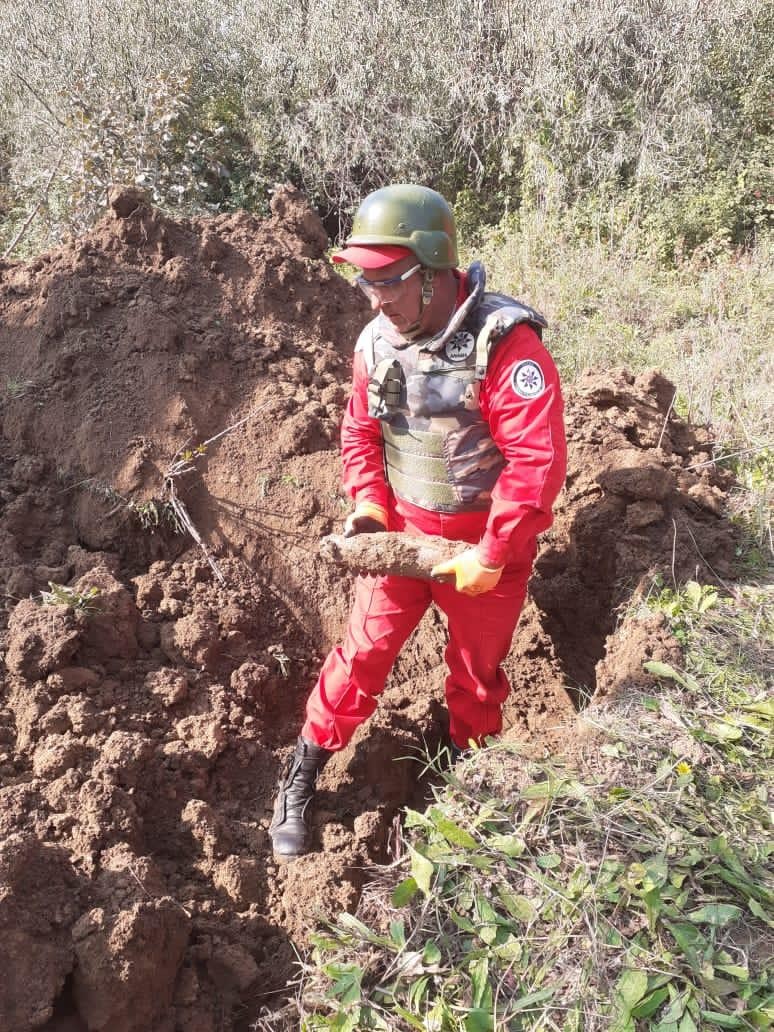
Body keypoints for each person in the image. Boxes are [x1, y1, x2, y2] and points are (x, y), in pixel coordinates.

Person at [269, 184, 567, 858]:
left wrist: (492, 552)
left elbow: (534, 463)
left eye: (389, 281)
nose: (376, 298)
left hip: (483, 542)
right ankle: (303, 772)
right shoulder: (376, 342)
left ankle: (470, 779)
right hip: (401, 536)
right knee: (363, 654)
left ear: (434, 270)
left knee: (477, 670)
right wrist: (371, 506)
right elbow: (358, 434)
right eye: (365, 282)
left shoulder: (506, 345)